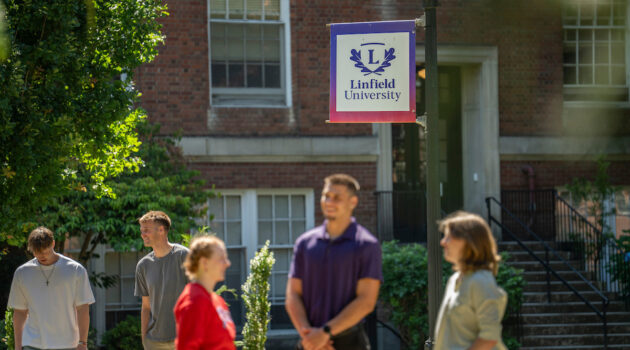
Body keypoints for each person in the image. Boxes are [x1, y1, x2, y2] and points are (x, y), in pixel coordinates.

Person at [286, 174, 382, 350]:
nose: (329, 202)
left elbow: (367, 301)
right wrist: (310, 337)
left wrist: (324, 333)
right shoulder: (305, 243)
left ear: (353, 202)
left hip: (350, 342)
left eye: (337, 197)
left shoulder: (367, 245)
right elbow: (293, 295)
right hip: (309, 341)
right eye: (326, 196)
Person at [8, 227, 95, 350]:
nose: (42, 255)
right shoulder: (22, 273)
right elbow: (20, 312)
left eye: (45, 251)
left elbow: (82, 308)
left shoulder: (75, 270)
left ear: (53, 243)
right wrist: (17, 346)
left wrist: (83, 343)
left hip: (68, 344)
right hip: (33, 344)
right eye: (37, 252)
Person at [434, 211, 508, 350]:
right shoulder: (454, 279)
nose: (443, 242)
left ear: (470, 242)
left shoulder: (480, 281)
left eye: (449, 237)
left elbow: (490, 337)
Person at [135, 211, 189, 350]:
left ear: (161, 230)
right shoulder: (143, 266)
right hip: (154, 342)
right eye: (141, 230)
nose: (142, 234)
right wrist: (144, 339)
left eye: (146, 230)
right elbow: (146, 306)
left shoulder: (184, 256)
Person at [173, 235, 236, 350]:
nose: (227, 263)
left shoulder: (217, 300)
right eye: (221, 258)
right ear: (204, 262)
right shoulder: (194, 301)